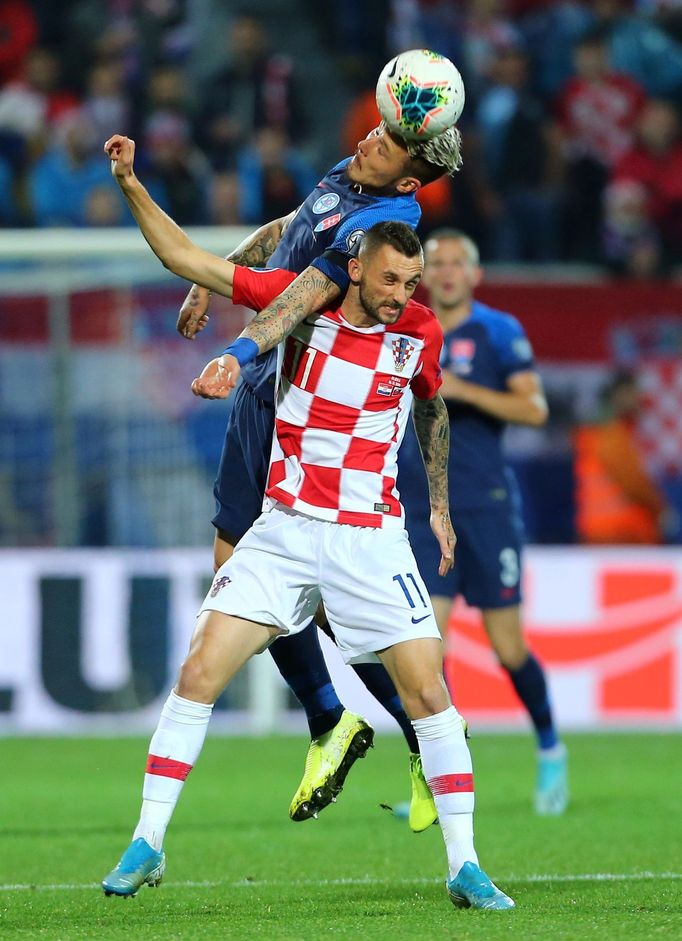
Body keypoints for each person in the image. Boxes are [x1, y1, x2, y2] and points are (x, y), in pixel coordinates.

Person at [101, 135, 515, 911]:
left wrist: (437, 502)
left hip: (371, 539)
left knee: (431, 697)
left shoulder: (419, 331)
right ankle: (148, 841)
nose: (402, 295)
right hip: (286, 532)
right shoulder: (299, 306)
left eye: (412, 282)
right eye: (391, 280)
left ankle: (465, 864)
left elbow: (431, 406)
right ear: (353, 268)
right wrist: (128, 180)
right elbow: (188, 259)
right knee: (197, 673)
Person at [174, 114, 463, 830]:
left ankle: (375, 723)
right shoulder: (344, 177)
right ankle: (337, 718)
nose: (369, 137)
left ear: (406, 172)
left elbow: (303, 292)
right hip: (259, 395)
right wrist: (215, 279)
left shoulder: (388, 217)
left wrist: (238, 345)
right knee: (239, 564)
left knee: (287, 583)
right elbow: (287, 226)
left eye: (389, 139)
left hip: (293, 390)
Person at [397, 229, 568, 816]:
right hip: (421, 510)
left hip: (485, 505)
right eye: (433, 263)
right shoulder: (406, 326)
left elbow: (534, 407)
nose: (443, 272)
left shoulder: (497, 331)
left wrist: (464, 390)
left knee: (507, 645)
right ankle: (444, 776)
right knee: (428, 648)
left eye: (454, 263)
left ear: (474, 274)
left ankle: (549, 747)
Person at [574, 370, 672, 544]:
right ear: (620, 394)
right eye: (634, 393)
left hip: (605, 530)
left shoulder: (604, 432)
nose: (640, 400)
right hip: (622, 533)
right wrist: (661, 510)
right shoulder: (610, 434)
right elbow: (633, 482)